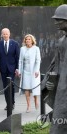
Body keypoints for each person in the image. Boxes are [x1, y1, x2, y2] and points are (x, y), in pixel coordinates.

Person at [42, 4, 67, 134]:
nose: (56, 23)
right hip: (62, 90)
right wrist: (51, 82)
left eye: (59, 20)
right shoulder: (61, 41)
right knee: (59, 125)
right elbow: (56, 65)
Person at [0, 28, 20, 110]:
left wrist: (17, 68)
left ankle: (12, 103)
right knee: (5, 86)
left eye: (6, 34)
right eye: (3, 34)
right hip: (3, 69)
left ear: (9, 34)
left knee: (11, 86)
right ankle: (8, 104)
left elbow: (17, 57)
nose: (5, 35)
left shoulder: (15, 44)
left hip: (12, 69)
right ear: (1, 35)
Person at [18, 34, 41, 113]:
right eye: (26, 39)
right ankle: (28, 106)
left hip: (34, 71)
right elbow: (20, 61)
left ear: (32, 40)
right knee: (26, 88)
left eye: (29, 39)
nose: (27, 40)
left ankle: (36, 101)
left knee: (34, 87)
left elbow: (38, 61)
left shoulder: (36, 49)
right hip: (25, 71)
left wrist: (37, 70)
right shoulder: (22, 49)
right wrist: (20, 71)